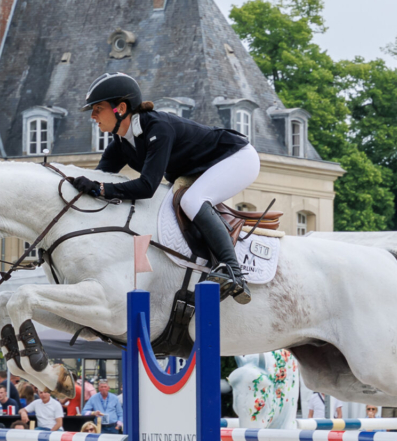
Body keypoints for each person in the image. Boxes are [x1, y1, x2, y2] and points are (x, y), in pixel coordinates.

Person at [71, 73, 260, 303]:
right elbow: (97, 178)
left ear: (120, 108)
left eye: (97, 109)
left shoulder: (157, 128)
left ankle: (233, 271)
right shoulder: (120, 143)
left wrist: (100, 188)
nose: (92, 115)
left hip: (236, 158)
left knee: (191, 200)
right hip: (199, 170)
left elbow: (146, 187)